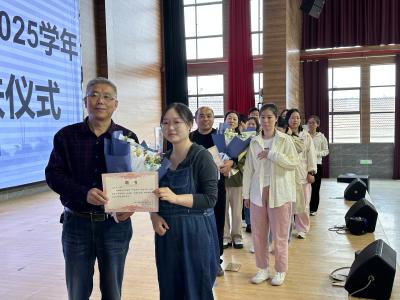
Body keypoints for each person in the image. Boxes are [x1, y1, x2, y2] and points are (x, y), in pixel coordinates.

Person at [45, 77, 137, 300]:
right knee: (77, 291)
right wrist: (83, 193)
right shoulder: (66, 136)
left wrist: (132, 205)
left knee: (113, 291)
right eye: (94, 95)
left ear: (116, 104)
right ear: (85, 101)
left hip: (115, 225)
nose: (100, 101)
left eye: (107, 97)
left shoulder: (127, 138)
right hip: (77, 224)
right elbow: (53, 175)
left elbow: (138, 179)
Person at [151, 103, 219, 300]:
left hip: (195, 232)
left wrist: (175, 198)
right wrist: (154, 216)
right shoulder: (162, 159)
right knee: (169, 287)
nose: (170, 127)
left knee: (196, 288)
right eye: (165, 123)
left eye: (176, 122)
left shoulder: (201, 156)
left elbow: (210, 198)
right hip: (167, 234)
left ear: (189, 124)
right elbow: (151, 194)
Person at [243, 103, 299, 286]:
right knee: (258, 234)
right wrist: (246, 195)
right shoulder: (253, 141)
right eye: (263, 117)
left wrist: (272, 154)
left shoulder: (285, 140)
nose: (266, 121)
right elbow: (248, 170)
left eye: (269, 117)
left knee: (280, 234)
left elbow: (293, 163)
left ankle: (280, 270)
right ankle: (262, 269)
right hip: (257, 192)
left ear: (276, 119)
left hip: (280, 192)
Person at [190, 106, 231, 276]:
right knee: (196, 224)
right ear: (195, 118)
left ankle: (216, 260)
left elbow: (232, 158)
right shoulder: (190, 137)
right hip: (193, 188)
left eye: (209, 116)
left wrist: (231, 163)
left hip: (217, 187)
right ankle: (198, 260)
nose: (205, 119)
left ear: (214, 118)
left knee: (217, 222)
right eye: (201, 116)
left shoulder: (221, 137)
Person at [285, 109, 317, 239]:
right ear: (287, 119)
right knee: (287, 203)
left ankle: (302, 228)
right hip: (286, 174)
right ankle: (287, 227)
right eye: (292, 118)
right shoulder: (283, 134)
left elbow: (311, 154)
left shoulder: (306, 135)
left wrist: (311, 172)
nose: (295, 120)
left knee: (303, 203)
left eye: (297, 118)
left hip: (302, 174)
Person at [223, 111, 245, 249]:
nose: (231, 120)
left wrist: (233, 164)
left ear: (238, 122)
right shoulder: (218, 137)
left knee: (237, 210)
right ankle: (225, 236)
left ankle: (237, 236)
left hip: (237, 178)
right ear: (225, 120)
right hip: (222, 179)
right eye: (229, 118)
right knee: (223, 209)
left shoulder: (243, 139)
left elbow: (244, 159)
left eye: (234, 118)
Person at [307, 115, 329, 215]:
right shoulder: (303, 135)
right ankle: (304, 208)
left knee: (315, 188)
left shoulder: (321, 137)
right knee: (304, 188)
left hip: (317, 165)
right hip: (305, 165)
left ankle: (313, 209)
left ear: (318, 124)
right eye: (309, 122)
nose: (311, 124)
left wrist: (315, 153)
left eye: (313, 123)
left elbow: (326, 151)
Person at [243, 116, 261, 233]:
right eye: (248, 124)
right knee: (246, 197)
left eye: (253, 124)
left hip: (256, 173)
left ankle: (256, 223)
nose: (250, 126)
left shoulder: (259, 138)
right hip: (243, 171)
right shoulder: (241, 139)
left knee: (255, 199)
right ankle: (249, 222)